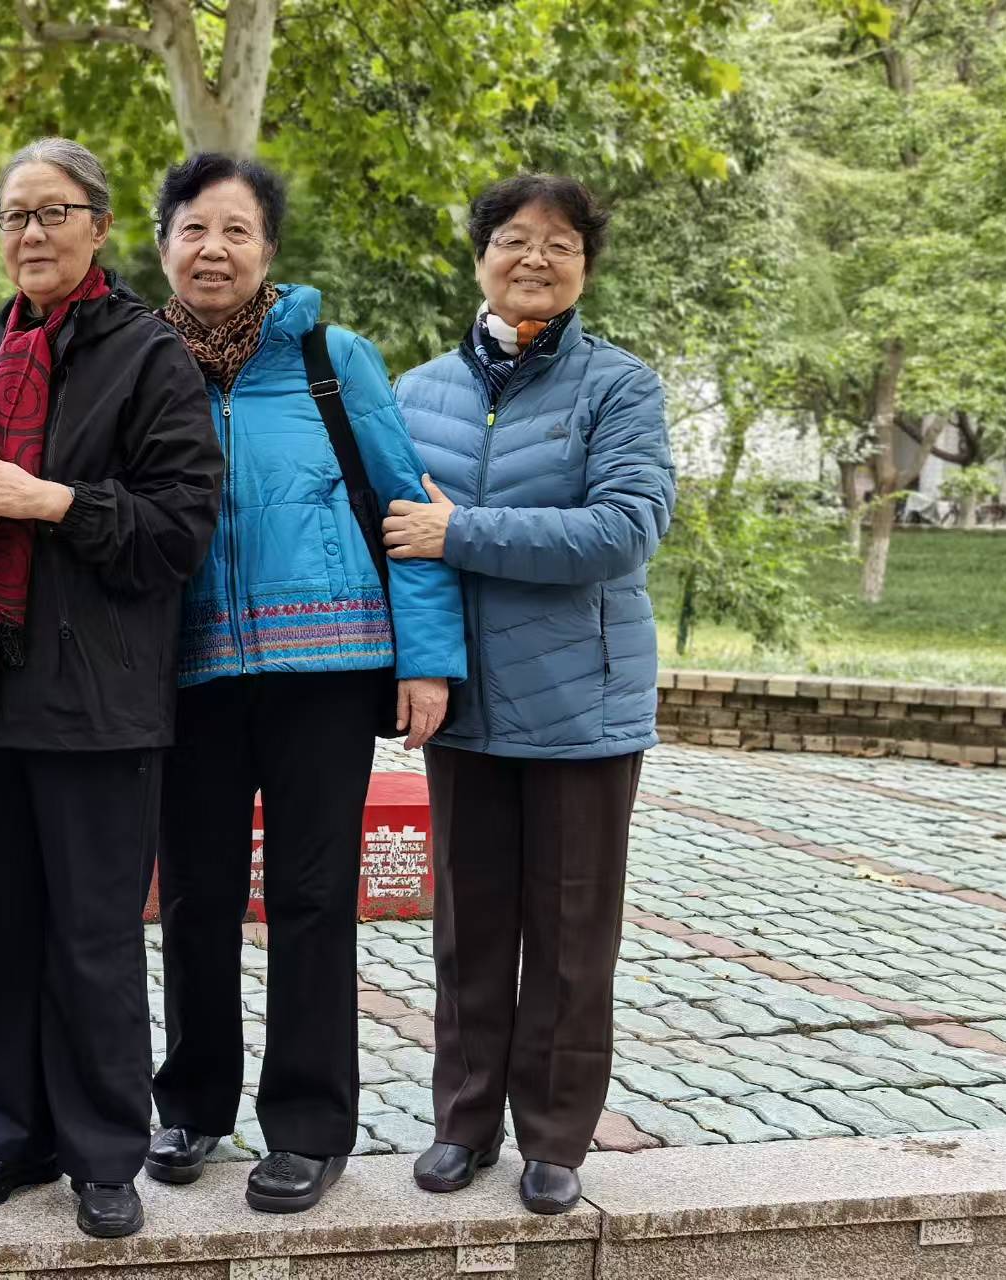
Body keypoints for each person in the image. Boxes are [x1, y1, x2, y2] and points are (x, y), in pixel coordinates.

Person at [140, 153, 467, 1212]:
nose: (213, 249)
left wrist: (426, 658)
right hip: (185, 671)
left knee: (314, 896)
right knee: (194, 896)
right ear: (162, 246)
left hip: (325, 668)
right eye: (193, 229)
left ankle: (310, 1126)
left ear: (269, 249)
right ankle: (192, 1105)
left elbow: (406, 509)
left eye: (236, 230)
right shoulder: (139, 362)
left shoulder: (333, 358)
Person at [0, 138, 223, 1241]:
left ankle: (105, 1153)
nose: (31, 234)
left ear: (99, 227)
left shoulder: (151, 356)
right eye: (13, 215)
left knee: (95, 939)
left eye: (52, 212)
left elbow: (178, 528)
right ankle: (9, 1137)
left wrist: (49, 499)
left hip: (101, 702)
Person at [382, 173, 674, 1216]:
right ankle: (461, 1123)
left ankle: (553, 1135)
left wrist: (461, 531)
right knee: (467, 926)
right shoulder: (416, 394)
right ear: (480, 257)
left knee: (569, 931)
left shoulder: (619, 387)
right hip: (463, 705)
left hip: (581, 705)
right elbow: (394, 542)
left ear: (585, 267)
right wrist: (414, 661)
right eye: (513, 238)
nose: (535, 258)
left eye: (560, 243)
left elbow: (623, 530)